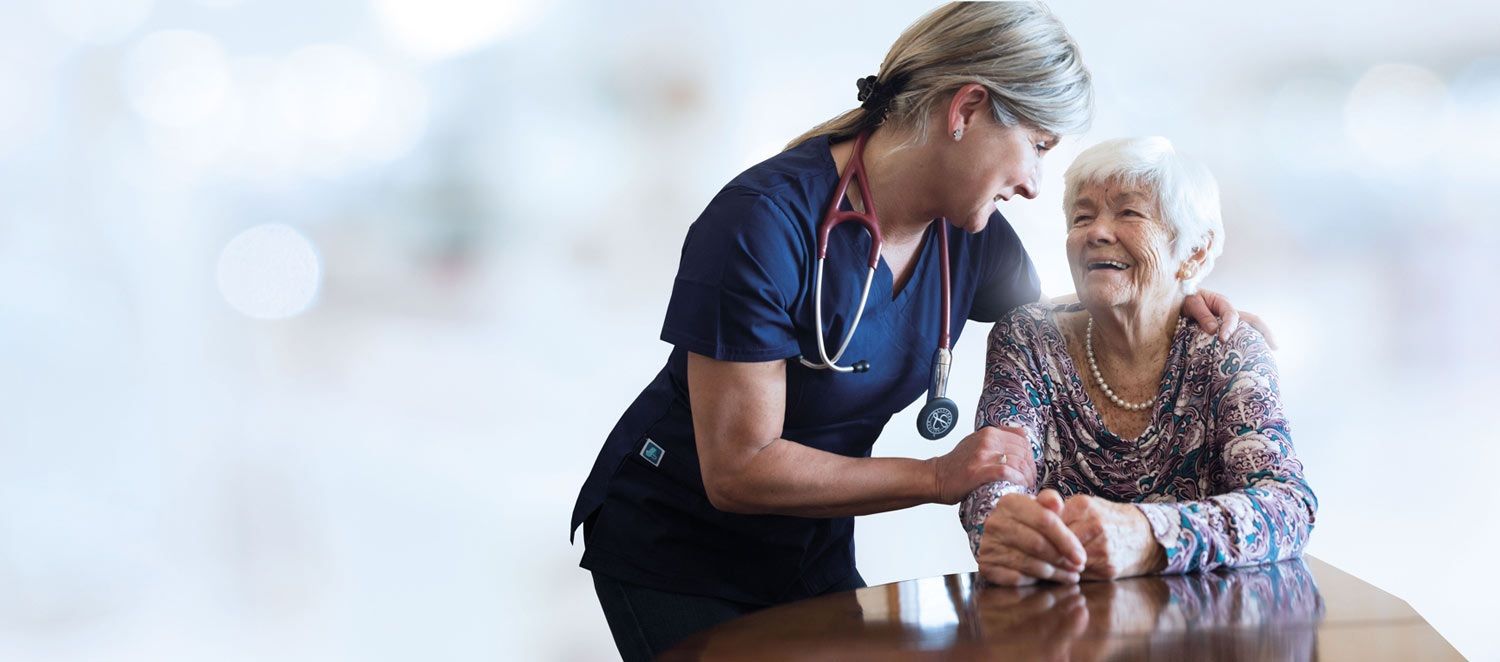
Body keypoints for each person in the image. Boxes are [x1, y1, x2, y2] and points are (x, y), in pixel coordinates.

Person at [571, 5, 1265, 659]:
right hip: (676, 549)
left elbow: (1067, 325)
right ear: (966, 109)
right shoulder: (761, 223)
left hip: (808, 547)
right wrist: (939, 475)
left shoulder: (969, 238)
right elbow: (740, 468)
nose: (1033, 184)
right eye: (1037, 145)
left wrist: (1175, 302)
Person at [958, 137, 1316, 587]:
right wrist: (1004, 527)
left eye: (1129, 213)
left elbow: (1286, 506)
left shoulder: (1228, 348)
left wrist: (1147, 535)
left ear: (1194, 252)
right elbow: (993, 482)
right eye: (1082, 217)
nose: (1096, 232)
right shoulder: (1028, 338)